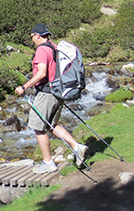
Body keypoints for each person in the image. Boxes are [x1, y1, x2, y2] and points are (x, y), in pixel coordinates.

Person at [15, 23, 88, 174]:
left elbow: (41, 73)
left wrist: (24, 87)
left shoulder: (41, 50)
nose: (32, 39)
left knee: (38, 127)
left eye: (32, 36)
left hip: (46, 93)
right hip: (58, 91)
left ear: (37, 35)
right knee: (51, 125)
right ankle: (76, 146)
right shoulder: (54, 47)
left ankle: (48, 162)